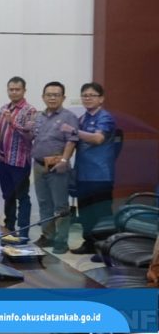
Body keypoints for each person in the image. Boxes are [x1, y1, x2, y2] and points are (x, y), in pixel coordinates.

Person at [62, 82, 118, 255]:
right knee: (85, 211)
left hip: (100, 174)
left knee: (101, 213)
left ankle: (104, 248)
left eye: (92, 95)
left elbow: (97, 139)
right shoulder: (82, 119)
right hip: (83, 173)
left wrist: (74, 131)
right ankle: (89, 244)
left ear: (101, 98)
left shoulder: (105, 118)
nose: (87, 98)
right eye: (84, 95)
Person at [30, 81, 79, 254]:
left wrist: (64, 160)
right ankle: (48, 235)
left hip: (57, 165)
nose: (52, 98)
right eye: (49, 95)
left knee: (60, 206)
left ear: (63, 97)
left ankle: (61, 241)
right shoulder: (39, 116)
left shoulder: (69, 117)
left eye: (56, 95)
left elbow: (71, 141)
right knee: (44, 203)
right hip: (38, 165)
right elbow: (34, 137)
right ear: (43, 97)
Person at [0, 77, 37, 238]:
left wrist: (13, 123)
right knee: (8, 196)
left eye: (17, 89)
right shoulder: (3, 108)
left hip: (19, 161)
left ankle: (24, 232)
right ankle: (9, 229)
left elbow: (30, 136)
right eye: (11, 89)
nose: (14, 92)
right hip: (3, 161)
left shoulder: (30, 110)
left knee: (22, 197)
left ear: (24, 90)